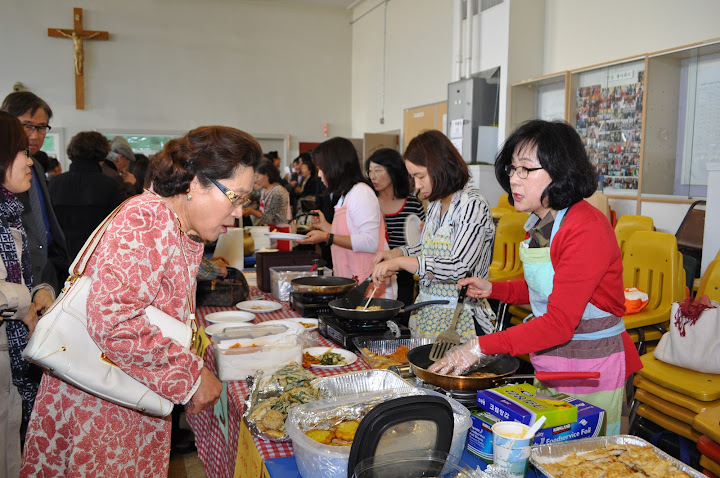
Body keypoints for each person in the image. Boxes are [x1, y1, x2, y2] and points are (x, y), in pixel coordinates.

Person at [22, 125, 260, 476]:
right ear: (195, 183)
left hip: (121, 395)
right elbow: (113, 320)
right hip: (101, 409)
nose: (239, 212)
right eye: (236, 197)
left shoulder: (173, 223)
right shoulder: (148, 218)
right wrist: (191, 377)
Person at [429, 120, 643, 435]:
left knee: (587, 460)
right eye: (512, 169)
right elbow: (546, 289)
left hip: (595, 366)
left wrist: (481, 346)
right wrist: (495, 289)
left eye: (526, 170)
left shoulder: (585, 228)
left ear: (560, 171)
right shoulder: (543, 223)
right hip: (556, 361)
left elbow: (559, 322)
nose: (514, 179)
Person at [371, 130, 495, 338]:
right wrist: (398, 253)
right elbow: (431, 248)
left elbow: (459, 267)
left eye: (420, 176)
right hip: (430, 311)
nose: (417, 185)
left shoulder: (472, 205)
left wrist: (402, 263)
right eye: (413, 177)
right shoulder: (437, 204)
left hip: (460, 317)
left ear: (441, 166)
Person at [0, 112, 55, 477]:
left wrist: (42, 292)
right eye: (21, 151)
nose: (30, 159)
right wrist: (23, 304)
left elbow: (20, 275)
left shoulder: (10, 216)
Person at [298, 137, 394, 299]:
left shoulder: (361, 193)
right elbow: (351, 234)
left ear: (335, 167)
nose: (320, 174)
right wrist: (325, 226)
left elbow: (369, 242)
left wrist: (327, 236)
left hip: (368, 285)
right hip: (351, 281)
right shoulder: (346, 195)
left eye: (321, 168)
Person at [0, 92, 70, 295]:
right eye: (27, 125)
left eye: (41, 128)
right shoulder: (10, 171)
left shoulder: (36, 165)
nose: (35, 135)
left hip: (44, 269)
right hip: (15, 276)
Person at [48, 131, 123, 260]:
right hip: (96, 255)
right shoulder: (110, 185)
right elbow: (117, 227)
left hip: (60, 256)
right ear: (102, 153)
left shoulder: (54, 183)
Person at [366, 148, 426, 309]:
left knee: (401, 314)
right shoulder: (369, 202)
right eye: (370, 171)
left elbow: (422, 241)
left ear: (393, 171)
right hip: (374, 270)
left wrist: (424, 230)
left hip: (404, 273)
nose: (373, 176)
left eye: (378, 170)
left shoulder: (412, 204)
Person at [243, 159, 291, 226]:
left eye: (257, 177)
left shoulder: (278, 192)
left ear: (266, 175)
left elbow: (276, 219)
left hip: (280, 233)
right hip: (269, 230)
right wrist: (244, 198)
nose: (256, 181)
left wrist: (252, 212)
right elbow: (253, 195)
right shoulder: (264, 190)